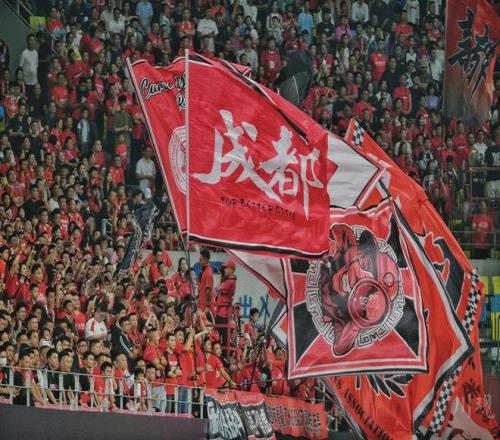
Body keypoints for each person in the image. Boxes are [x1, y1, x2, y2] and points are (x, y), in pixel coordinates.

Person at [215, 260, 237, 350]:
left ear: (231, 269)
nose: (225, 269)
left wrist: (220, 275)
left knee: (219, 335)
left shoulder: (230, 281)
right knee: (221, 334)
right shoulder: (229, 280)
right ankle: (222, 352)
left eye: (226, 268)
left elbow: (217, 288)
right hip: (222, 310)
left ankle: (222, 353)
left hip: (223, 312)